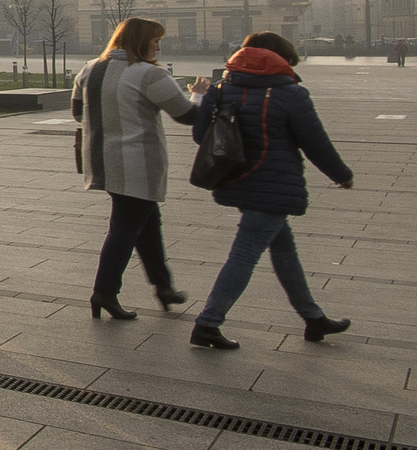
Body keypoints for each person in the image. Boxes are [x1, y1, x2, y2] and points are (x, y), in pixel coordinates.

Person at [188, 32, 355, 349]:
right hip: (274, 186)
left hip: (238, 181)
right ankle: (207, 323)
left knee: (284, 251)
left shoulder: (222, 89)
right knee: (245, 254)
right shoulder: (291, 94)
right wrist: (342, 174)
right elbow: (315, 143)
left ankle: (313, 318)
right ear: (279, 58)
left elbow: (201, 135)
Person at [72, 18, 197, 320]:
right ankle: (104, 291)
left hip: (104, 160)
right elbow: (188, 115)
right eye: (155, 39)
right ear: (141, 41)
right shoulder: (150, 74)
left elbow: (78, 113)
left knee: (147, 223)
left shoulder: (90, 68)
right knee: (125, 228)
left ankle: (163, 286)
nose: (158, 45)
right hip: (139, 162)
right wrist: (201, 93)